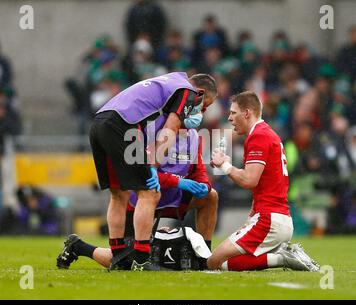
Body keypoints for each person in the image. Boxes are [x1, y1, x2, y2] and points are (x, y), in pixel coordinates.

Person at [86, 72, 217, 271]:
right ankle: (141, 258)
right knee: (149, 193)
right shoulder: (187, 91)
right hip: (124, 126)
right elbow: (170, 130)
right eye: (204, 105)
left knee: (118, 194)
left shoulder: (169, 81)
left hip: (100, 122)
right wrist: (154, 167)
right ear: (199, 92)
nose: (202, 110)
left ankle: (119, 254)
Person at [57, 113, 218, 270]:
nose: (199, 113)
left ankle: (204, 256)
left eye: (203, 109)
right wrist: (179, 182)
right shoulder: (152, 131)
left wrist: (204, 184)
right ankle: (78, 246)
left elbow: (198, 170)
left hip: (171, 198)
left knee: (211, 196)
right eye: (197, 108)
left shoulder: (195, 136)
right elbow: (143, 174)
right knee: (126, 262)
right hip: (141, 200)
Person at [207, 91, 320, 272]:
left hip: (269, 220)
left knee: (214, 262)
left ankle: (282, 257)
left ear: (247, 113)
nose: (229, 118)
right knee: (224, 263)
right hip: (276, 217)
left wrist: (225, 166)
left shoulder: (259, 136)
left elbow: (249, 180)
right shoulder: (265, 133)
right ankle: (281, 256)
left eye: (233, 113)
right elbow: (261, 185)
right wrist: (251, 217)